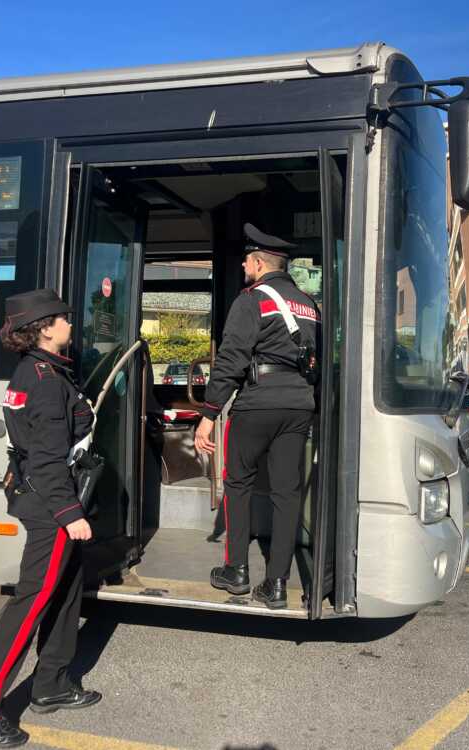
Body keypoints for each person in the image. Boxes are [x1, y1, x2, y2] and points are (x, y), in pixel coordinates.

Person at [0, 289, 101, 748]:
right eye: (63, 319)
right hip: (51, 505)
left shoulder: (36, 371)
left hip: (41, 497)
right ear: (43, 328)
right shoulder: (47, 380)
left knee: (67, 591)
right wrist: (69, 513)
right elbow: (46, 457)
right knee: (31, 603)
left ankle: (51, 684)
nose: (71, 325)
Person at [194, 223, 319, 609]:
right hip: (299, 405)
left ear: (260, 263)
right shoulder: (309, 305)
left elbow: (231, 359)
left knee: (239, 485)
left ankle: (237, 572)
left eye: (247, 260)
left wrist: (209, 413)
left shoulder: (251, 300)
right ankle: (277, 584)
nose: (244, 266)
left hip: (257, 404)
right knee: (287, 493)